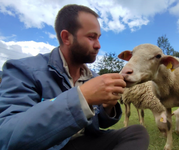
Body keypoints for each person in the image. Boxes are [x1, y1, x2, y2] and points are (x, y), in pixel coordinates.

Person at [0, 4, 149, 150]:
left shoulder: (93, 77)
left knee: (136, 133)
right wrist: (82, 97)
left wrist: (108, 107)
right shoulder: (24, 70)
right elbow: (6, 135)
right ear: (66, 38)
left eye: (98, 38)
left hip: (82, 142)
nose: (98, 45)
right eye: (91, 37)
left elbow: (100, 124)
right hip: (51, 145)